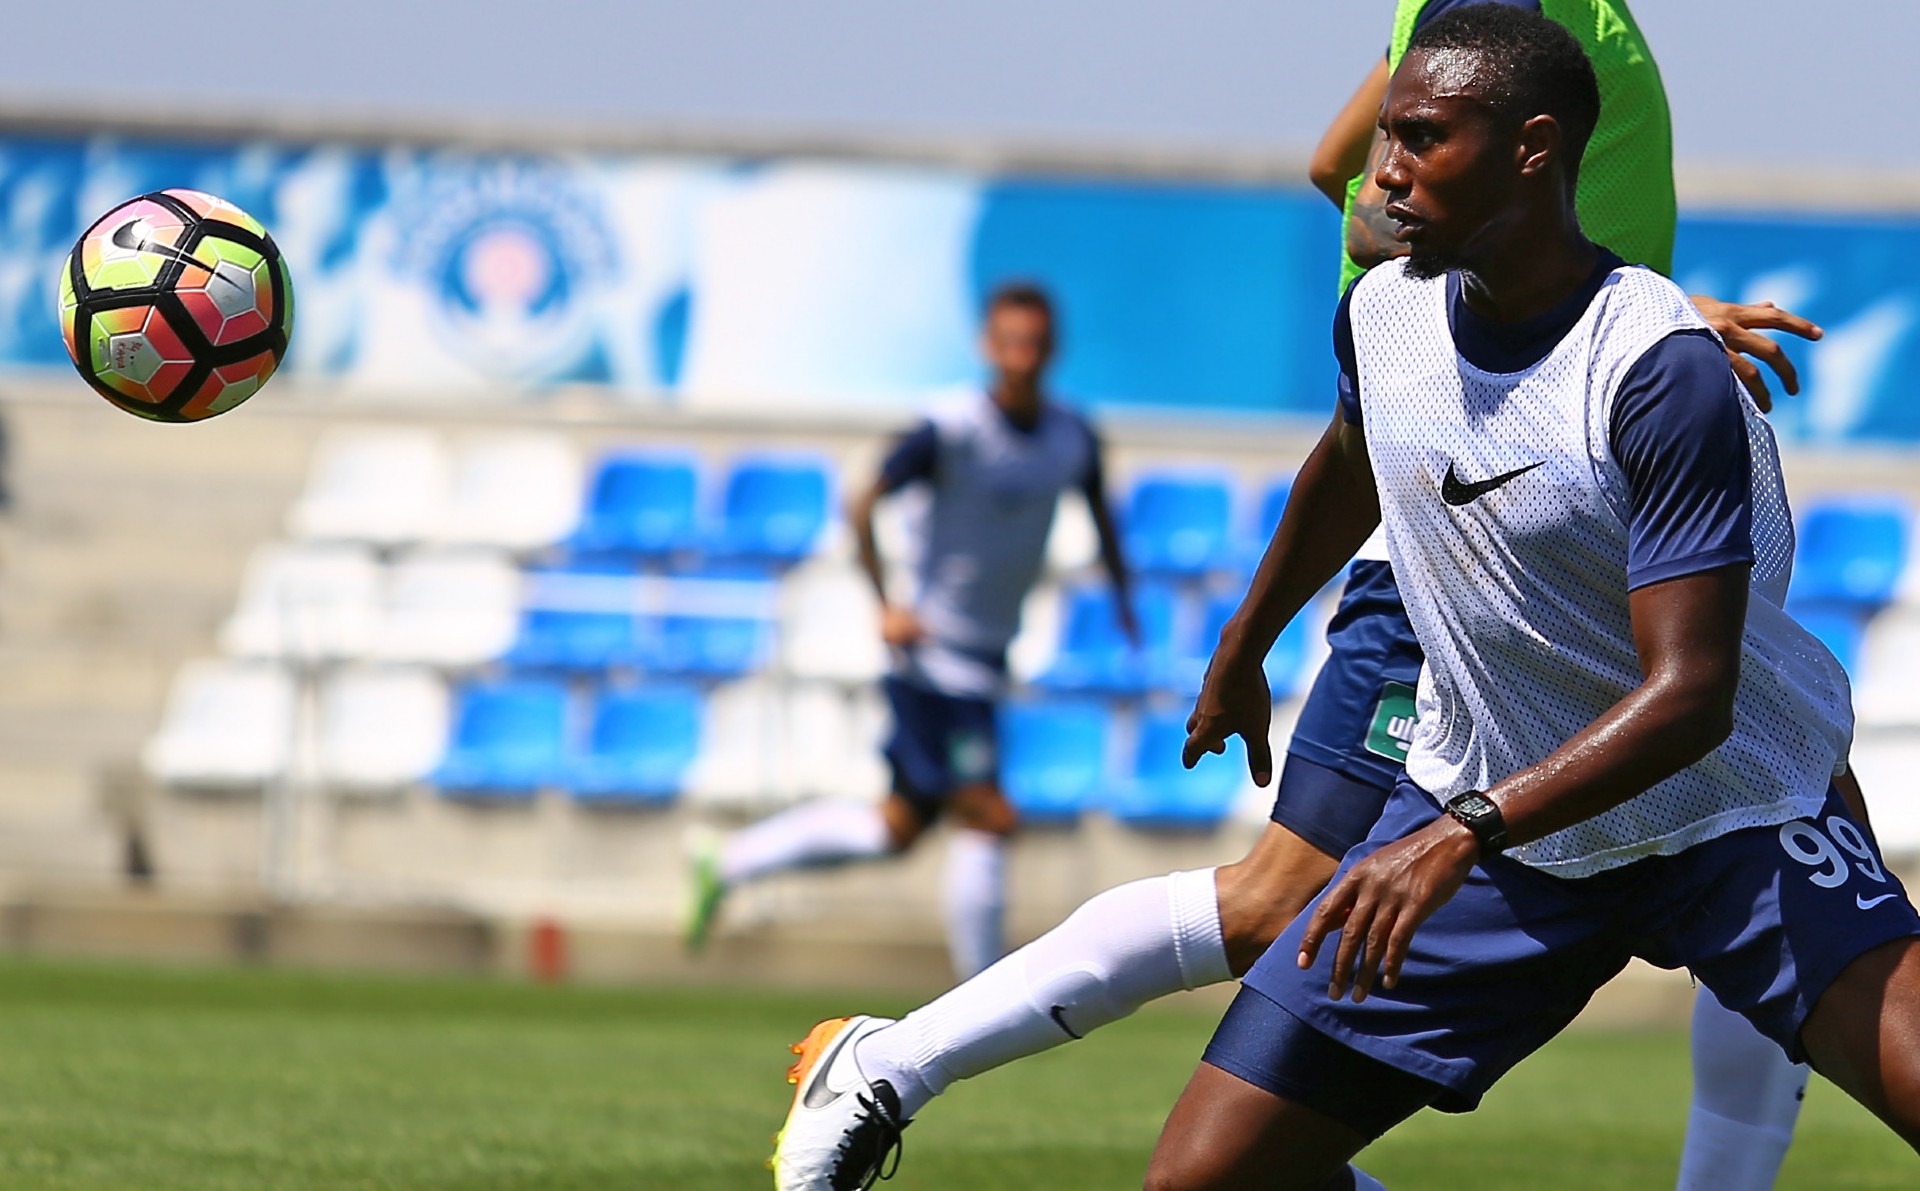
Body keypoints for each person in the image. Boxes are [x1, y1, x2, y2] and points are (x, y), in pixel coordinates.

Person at [765, 4, 1822, 1190]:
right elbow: (1355, 193)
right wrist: (1577, 308)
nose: (1395, 164)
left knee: (1779, 816)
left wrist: (1624, 314)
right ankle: (890, 1065)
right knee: (1282, 903)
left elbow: (1353, 175)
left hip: (1569, 535)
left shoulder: (1580, 33)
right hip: (1470, 554)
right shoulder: (1495, 29)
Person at [1144, 9, 1920, 1189]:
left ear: (1532, 150)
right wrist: (1246, 643)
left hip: (1728, 814)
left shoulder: (1657, 368)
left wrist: (1461, 832)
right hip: (1502, 817)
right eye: (1387, 135)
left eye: (1421, 138)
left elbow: (1691, 696)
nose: (1382, 171)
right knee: (1202, 1180)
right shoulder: (1383, 312)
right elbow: (1353, 460)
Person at [686, 282, 1134, 982]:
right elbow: (861, 499)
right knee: (988, 814)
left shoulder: (1070, 434)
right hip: (934, 659)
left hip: (986, 655)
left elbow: (1102, 513)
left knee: (893, 827)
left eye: (1035, 343)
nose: (1022, 357)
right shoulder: (948, 427)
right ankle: (986, 992)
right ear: (988, 346)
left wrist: (1125, 600)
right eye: (1011, 342)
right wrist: (886, 601)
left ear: (1052, 349)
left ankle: (729, 859)